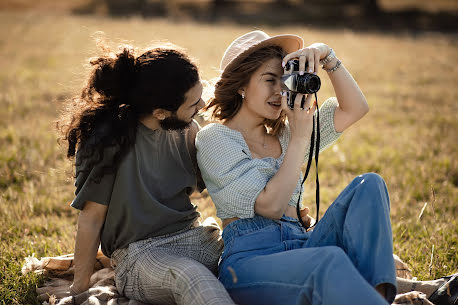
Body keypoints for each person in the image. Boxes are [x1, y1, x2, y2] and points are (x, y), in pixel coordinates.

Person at [195, 30, 396, 305]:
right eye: (269, 80)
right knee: (329, 260)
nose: (280, 91)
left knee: (370, 184)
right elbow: (271, 206)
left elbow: (354, 109)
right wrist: (301, 137)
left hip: (302, 246)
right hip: (249, 264)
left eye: (285, 80)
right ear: (241, 85)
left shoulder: (286, 133)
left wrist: (327, 55)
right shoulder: (215, 138)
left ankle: (377, 299)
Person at [51, 44, 235, 305]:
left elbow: (225, 184)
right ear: (160, 112)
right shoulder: (107, 142)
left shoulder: (189, 129)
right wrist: (79, 289)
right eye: (194, 102)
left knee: (251, 259)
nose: (203, 105)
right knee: (193, 277)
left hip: (194, 238)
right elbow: (91, 219)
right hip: (140, 255)